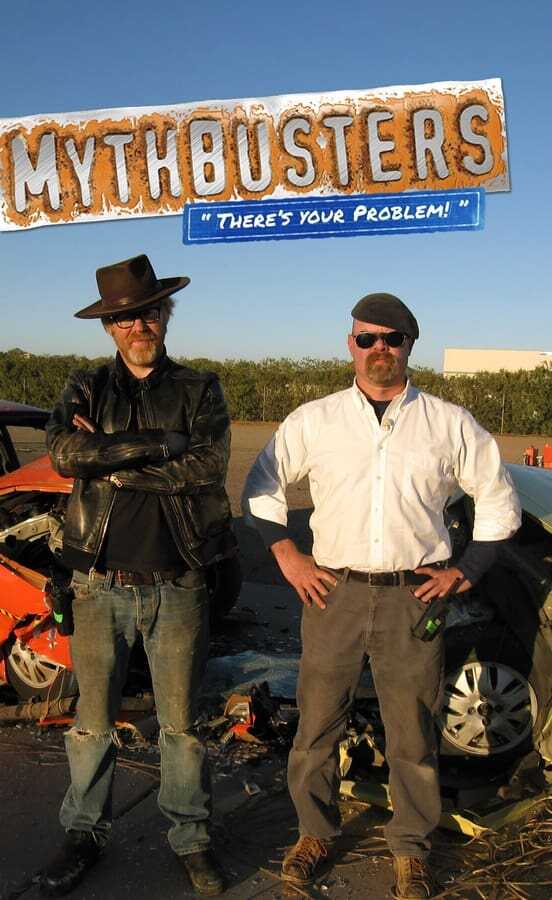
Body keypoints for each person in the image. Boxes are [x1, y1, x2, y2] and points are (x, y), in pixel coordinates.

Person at [242, 293, 521, 899]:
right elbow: (262, 485)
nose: (379, 349)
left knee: (413, 731)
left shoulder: (448, 424)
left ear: (409, 345)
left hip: (412, 598)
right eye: (367, 338)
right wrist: (287, 553)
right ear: (351, 344)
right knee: (317, 723)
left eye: (391, 339)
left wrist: (466, 570)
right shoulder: (315, 420)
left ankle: (411, 847)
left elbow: (499, 499)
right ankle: (314, 832)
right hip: (333, 594)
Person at [41, 254, 236, 897]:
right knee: (91, 724)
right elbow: (64, 453)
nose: (137, 326)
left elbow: (205, 467)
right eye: (124, 319)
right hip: (98, 585)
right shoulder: (85, 386)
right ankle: (83, 834)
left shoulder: (200, 388)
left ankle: (191, 838)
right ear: (109, 328)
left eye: (148, 313)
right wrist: (159, 445)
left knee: (181, 726)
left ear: (164, 315)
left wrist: (109, 460)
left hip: (177, 584)